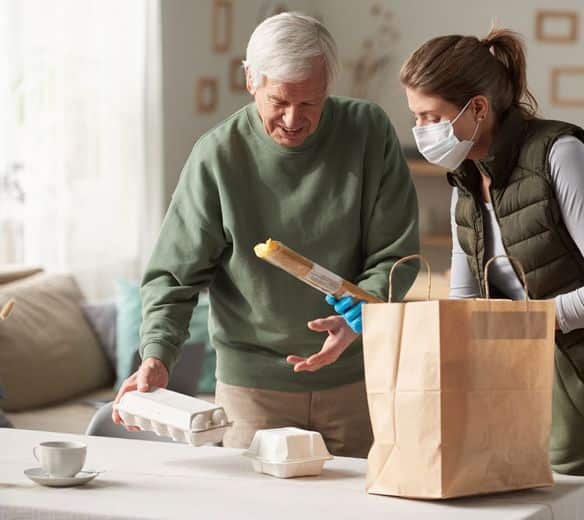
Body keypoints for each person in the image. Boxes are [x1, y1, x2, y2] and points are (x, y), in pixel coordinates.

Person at [400, 28, 584, 519]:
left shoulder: (559, 153)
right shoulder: (464, 188)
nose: (422, 130)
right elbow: (467, 304)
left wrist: (524, 321)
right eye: (416, 118)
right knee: (564, 509)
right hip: (555, 380)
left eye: (431, 117)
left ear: (477, 109)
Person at [112, 13, 419, 457]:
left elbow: (396, 255)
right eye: (279, 101)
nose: (294, 119)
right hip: (252, 391)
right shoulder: (217, 156)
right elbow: (174, 278)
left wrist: (360, 316)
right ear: (251, 80)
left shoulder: (368, 131)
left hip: (356, 381)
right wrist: (157, 356)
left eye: (311, 103)